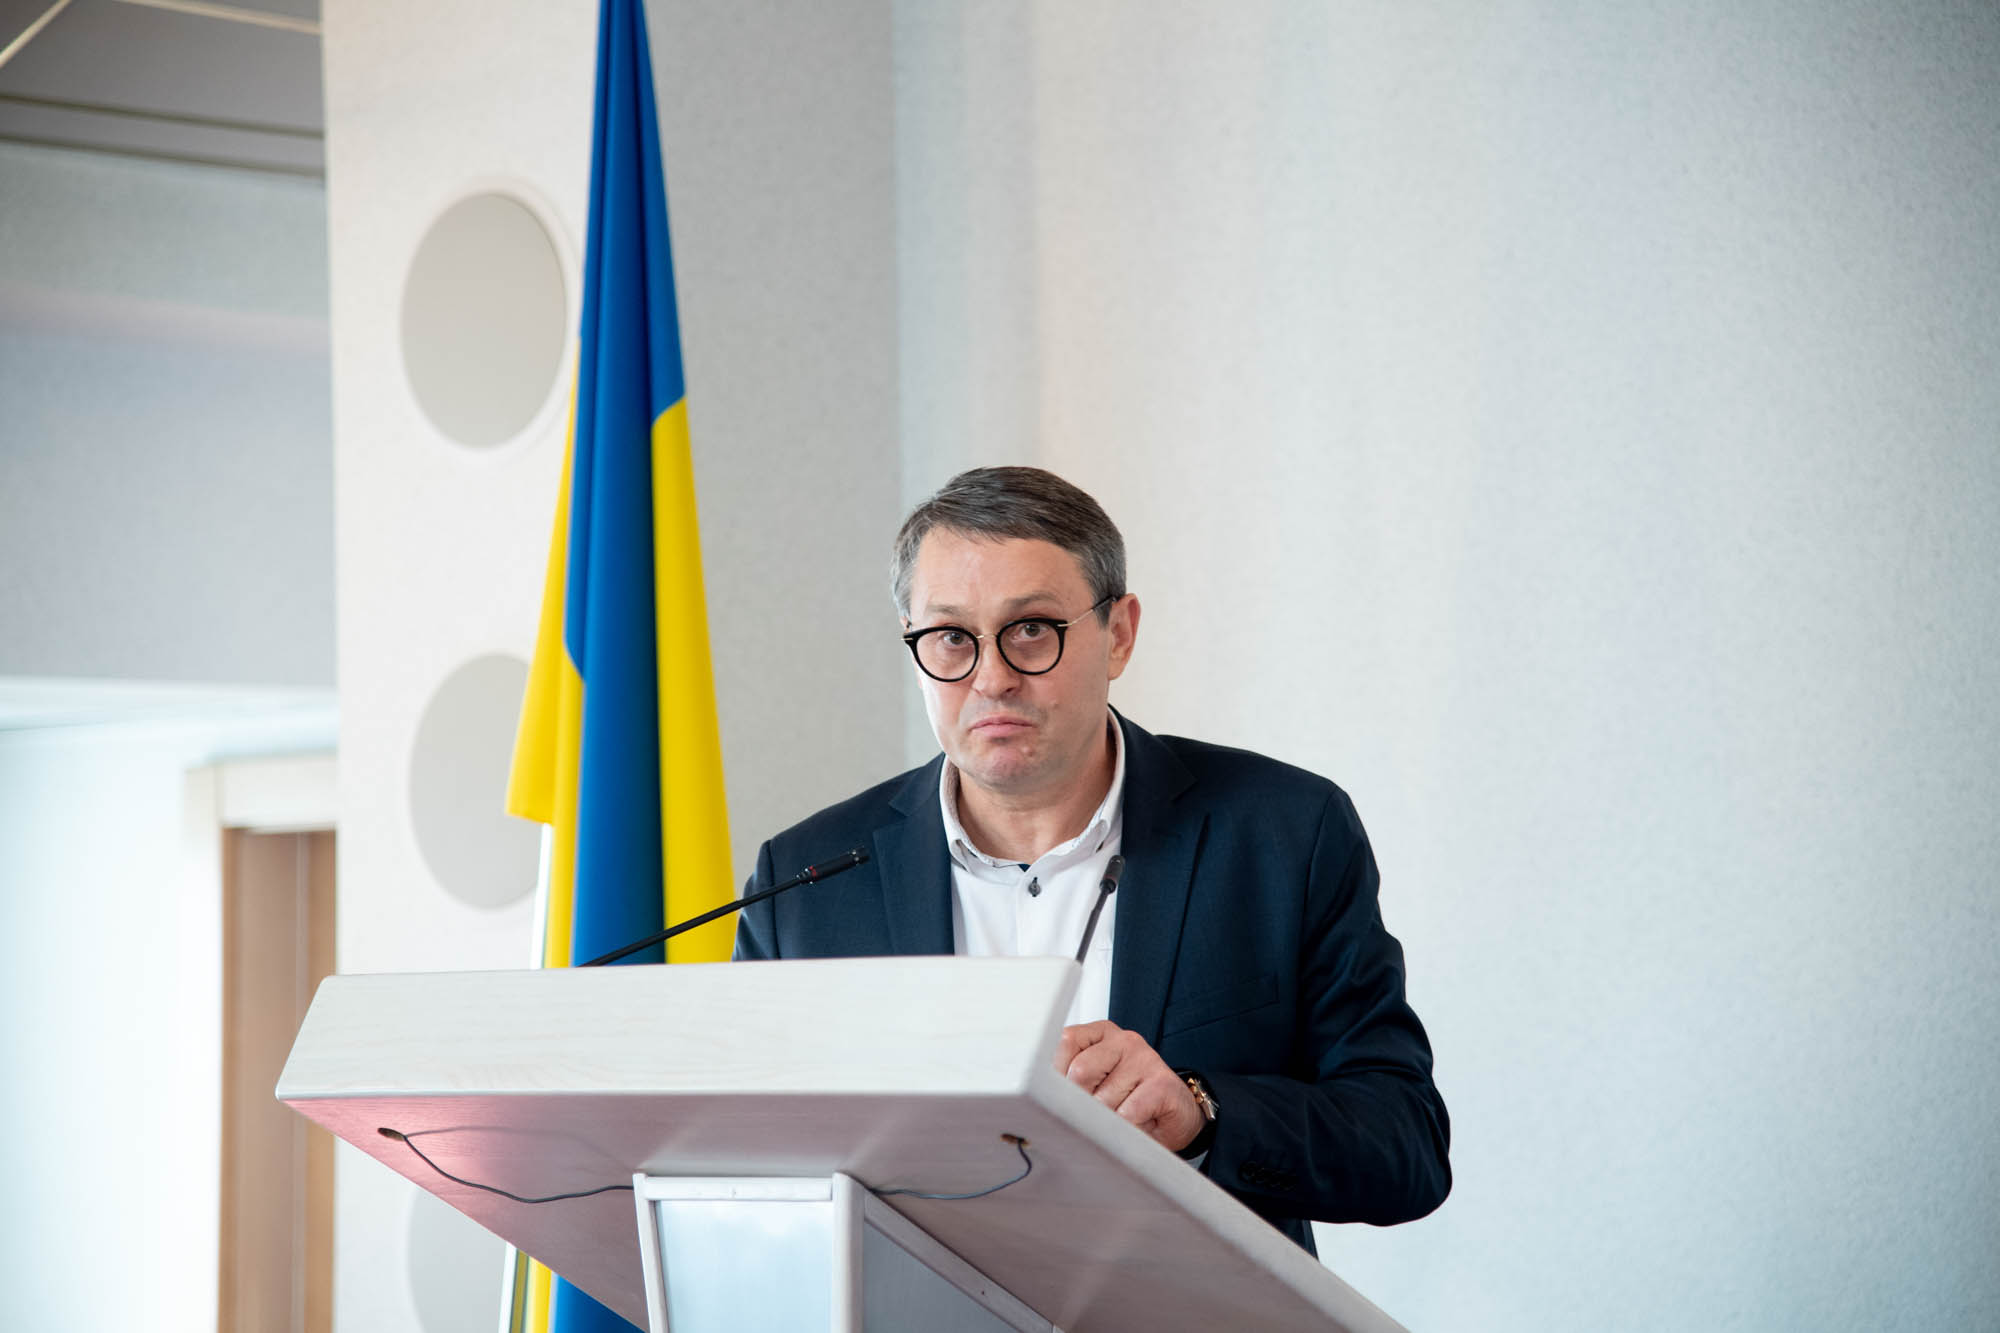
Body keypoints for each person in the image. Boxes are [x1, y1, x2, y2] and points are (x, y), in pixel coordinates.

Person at [734, 466, 1449, 1252]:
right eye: (952, 638)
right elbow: (744, 1169)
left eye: (1032, 629)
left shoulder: (1283, 834)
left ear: (1119, 634)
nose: (992, 677)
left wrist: (1203, 1111)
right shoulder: (801, 886)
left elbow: (1405, 1143)